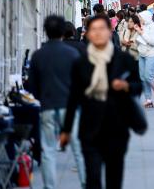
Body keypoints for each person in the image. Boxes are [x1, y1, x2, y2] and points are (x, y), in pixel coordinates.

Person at [60, 15, 142, 189]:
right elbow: (73, 97)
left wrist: (126, 85)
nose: (97, 33)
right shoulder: (81, 62)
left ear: (110, 32)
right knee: (93, 176)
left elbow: (138, 86)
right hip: (90, 128)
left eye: (101, 29)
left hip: (117, 127)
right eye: (93, 30)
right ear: (87, 34)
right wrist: (66, 129)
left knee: (114, 177)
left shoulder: (123, 59)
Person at [28, 15, 85, 189]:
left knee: (48, 150)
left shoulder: (38, 55)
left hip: (47, 106)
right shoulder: (73, 53)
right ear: (63, 31)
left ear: (45, 31)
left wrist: (41, 98)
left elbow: (32, 85)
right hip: (69, 106)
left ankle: (50, 186)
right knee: (78, 149)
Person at [135, 10, 154, 107]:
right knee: (142, 78)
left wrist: (141, 33)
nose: (139, 19)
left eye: (140, 17)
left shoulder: (153, 27)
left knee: (148, 77)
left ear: (146, 17)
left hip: (152, 54)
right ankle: (148, 99)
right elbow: (139, 40)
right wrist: (138, 31)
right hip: (142, 54)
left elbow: (153, 42)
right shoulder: (143, 26)